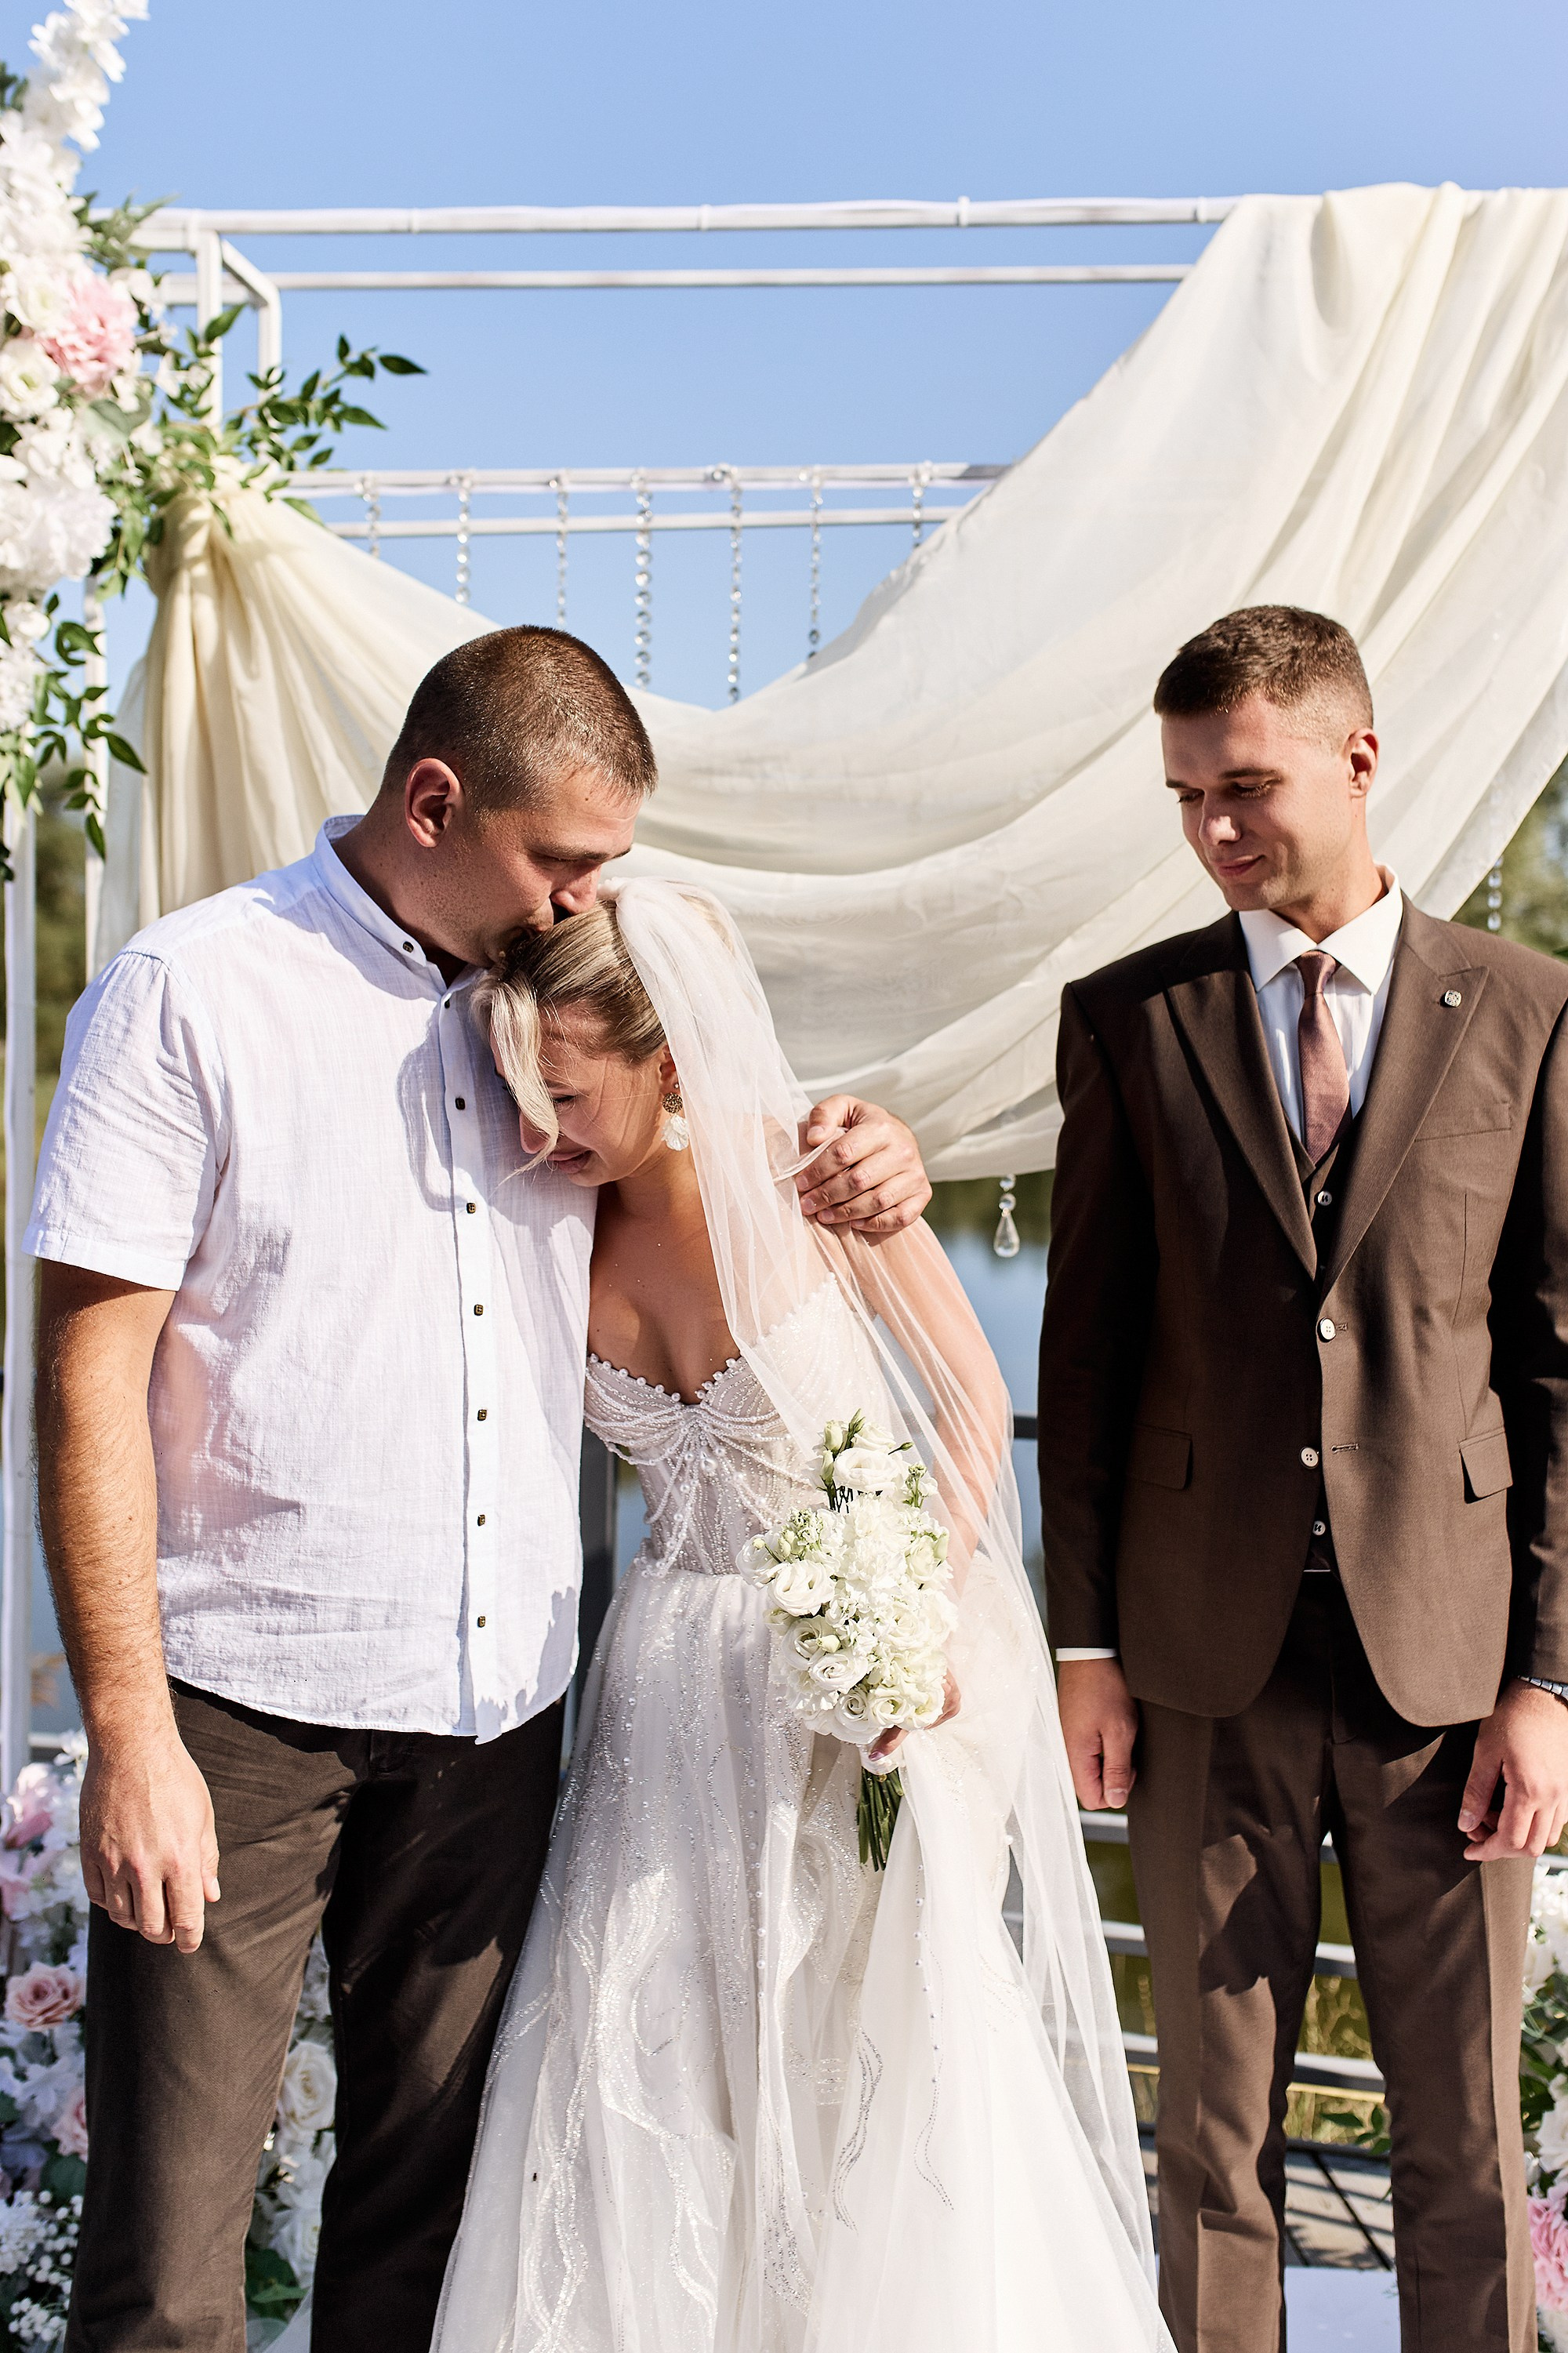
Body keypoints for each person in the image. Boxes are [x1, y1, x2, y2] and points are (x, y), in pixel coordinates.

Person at [29, 626, 933, 2353]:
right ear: (435, 800)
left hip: (498, 1718)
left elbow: (715, 1164)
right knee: (166, 2251)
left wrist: (865, 1146)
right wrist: (130, 1732)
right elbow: (84, 1377)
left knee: (434, 2231)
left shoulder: (559, 1017)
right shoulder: (190, 988)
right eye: (564, 858)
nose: (591, 895)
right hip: (241, 1714)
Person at [431, 877, 1171, 2352]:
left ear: (675, 1064)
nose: (539, 1128)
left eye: (569, 1093)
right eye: (523, 1091)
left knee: (863, 2044)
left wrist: (922, 1620)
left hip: (850, 1683)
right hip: (661, 1686)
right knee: (644, 2039)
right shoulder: (545, 1219)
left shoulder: (817, 1182)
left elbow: (970, 1405)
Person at [1038, 603, 1568, 2353]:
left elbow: (1560, 1371)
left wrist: (1547, 1679)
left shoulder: (1529, 1013)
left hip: (1450, 1667)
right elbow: (1090, 1357)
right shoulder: (1130, 1019)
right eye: (1188, 796)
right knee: (1207, 2146)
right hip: (1199, 1662)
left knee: (1463, 2153)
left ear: (1357, 758)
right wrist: (1083, 1644)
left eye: (1244, 787)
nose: (1211, 831)